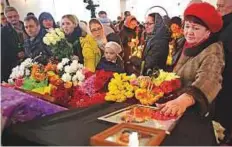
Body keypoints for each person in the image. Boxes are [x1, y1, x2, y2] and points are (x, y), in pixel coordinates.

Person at [157, 3, 224, 118]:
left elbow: (209, 80)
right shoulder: (185, 43)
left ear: (208, 32)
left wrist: (183, 100)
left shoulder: (213, 51)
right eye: (187, 26)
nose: (189, 32)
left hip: (193, 112)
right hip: (175, 107)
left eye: (196, 28)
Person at [214, 0, 232, 144]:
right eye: (217, 5)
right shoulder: (222, 25)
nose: (217, 8)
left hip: (226, 79)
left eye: (221, 6)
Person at [1, 6, 28, 82]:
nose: (13, 18)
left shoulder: (26, 26)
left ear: (18, 15)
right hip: (15, 65)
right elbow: (2, 52)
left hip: (30, 59)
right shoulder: (3, 32)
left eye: (15, 16)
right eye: (10, 17)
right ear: (6, 19)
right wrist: (16, 54)